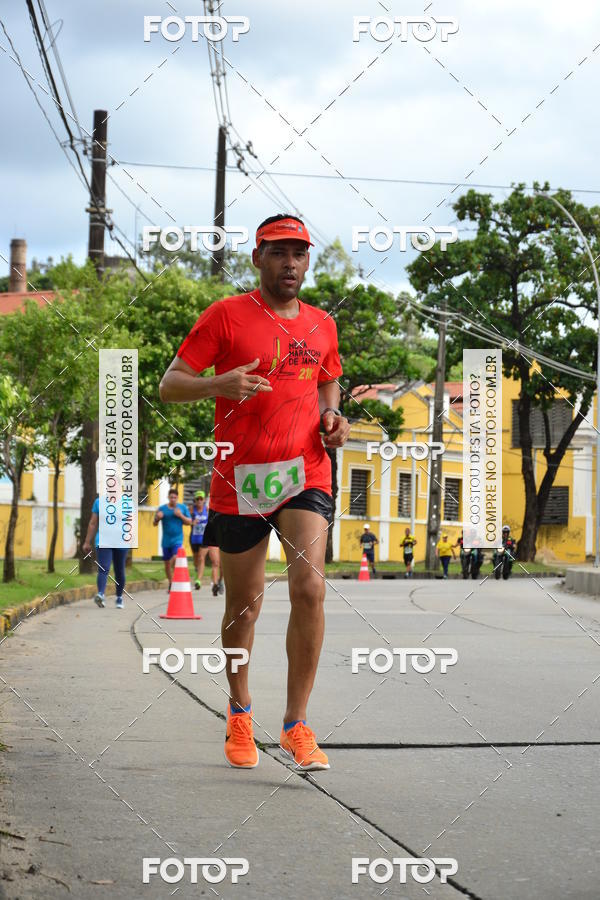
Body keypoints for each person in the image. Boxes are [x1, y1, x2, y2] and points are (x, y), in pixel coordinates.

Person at [159, 213, 350, 771]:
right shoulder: (225, 316)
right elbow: (170, 385)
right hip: (238, 479)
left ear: (307, 260)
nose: (290, 263)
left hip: (305, 473)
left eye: (299, 253)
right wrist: (218, 384)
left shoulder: (321, 325)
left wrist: (332, 414)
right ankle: (240, 711)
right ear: (257, 258)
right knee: (244, 607)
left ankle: (296, 724)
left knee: (309, 589)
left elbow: (328, 379)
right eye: (278, 253)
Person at [82, 495, 129, 609]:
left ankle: (119, 597)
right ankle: (101, 594)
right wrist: (87, 541)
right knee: (103, 567)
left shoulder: (126, 502)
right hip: (103, 540)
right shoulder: (99, 502)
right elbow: (93, 523)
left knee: (119, 570)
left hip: (121, 541)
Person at [153, 487, 192, 590]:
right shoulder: (162, 509)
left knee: (175, 558)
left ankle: (174, 581)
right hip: (166, 540)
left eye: (175, 497)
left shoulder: (182, 508)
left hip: (178, 539)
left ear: (177, 498)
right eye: (171, 497)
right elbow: (154, 524)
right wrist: (158, 518)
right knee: (166, 564)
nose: (173, 499)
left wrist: (180, 516)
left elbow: (189, 522)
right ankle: (171, 583)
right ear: (168, 497)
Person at [190, 490, 223, 595]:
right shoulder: (191, 510)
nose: (199, 501)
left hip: (206, 538)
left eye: (201, 499)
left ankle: (212, 583)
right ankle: (198, 573)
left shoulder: (208, 509)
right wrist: (191, 522)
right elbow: (186, 520)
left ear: (204, 500)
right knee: (197, 559)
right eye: (197, 499)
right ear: (195, 500)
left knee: (213, 561)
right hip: (195, 538)